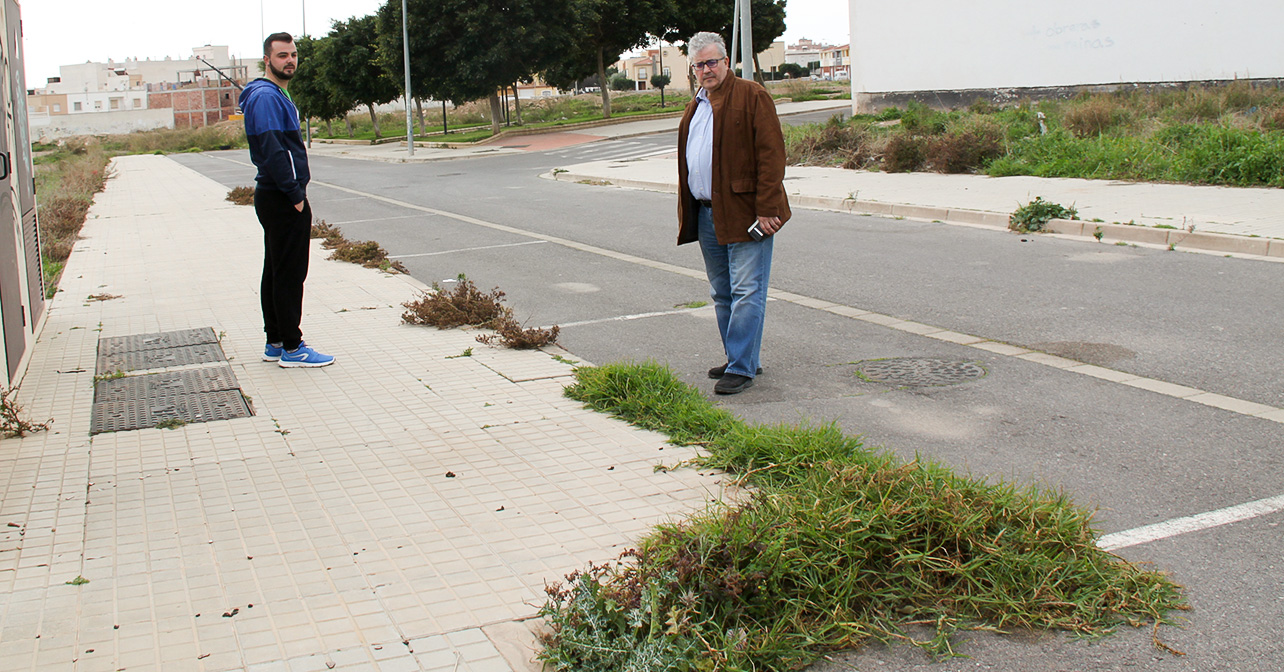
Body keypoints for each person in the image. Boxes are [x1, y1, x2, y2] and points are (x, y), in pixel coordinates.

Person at [676, 31, 790, 395]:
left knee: (747, 290)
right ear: (693, 69)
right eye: (700, 65)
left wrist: (768, 208)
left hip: (745, 213)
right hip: (708, 213)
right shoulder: (697, 104)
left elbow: (772, 155)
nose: (707, 70)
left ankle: (741, 367)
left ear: (726, 62)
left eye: (712, 62)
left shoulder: (751, 95)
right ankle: (741, 357)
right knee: (722, 293)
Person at [241, 32, 334, 368]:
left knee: (277, 270)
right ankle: (293, 348)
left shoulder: (273, 94)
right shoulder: (266, 97)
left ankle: (276, 341)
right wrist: (294, 194)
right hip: (281, 196)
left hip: (274, 194)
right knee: (291, 273)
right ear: (267, 59)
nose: (290, 60)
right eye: (282, 55)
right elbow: (272, 149)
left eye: (293, 54)